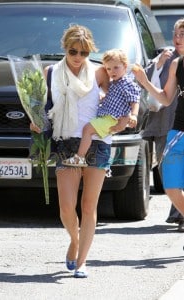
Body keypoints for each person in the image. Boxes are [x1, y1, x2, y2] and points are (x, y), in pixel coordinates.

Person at [30, 24, 116, 278]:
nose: (78, 57)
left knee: (89, 206)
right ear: (64, 48)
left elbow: (115, 105)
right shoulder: (50, 73)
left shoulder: (100, 73)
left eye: (84, 52)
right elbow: (43, 111)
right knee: (67, 207)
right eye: (73, 51)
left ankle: (82, 262)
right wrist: (35, 122)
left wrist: (124, 119)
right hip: (66, 142)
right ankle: (75, 242)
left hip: (97, 142)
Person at [132, 27, 184, 220]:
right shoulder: (175, 64)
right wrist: (145, 81)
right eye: (176, 34)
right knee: (170, 187)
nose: (177, 38)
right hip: (176, 132)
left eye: (183, 34)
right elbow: (165, 98)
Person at [62, 48, 140, 167]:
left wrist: (133, 115)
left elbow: (134, 100)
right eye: (108, 68)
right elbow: (116, 99)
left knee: (87, 130)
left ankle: (80, 157)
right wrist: (104, 98)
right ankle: (82, 157)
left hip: (112, 118)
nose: (112, 71)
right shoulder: (115, 83)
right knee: (89, 131)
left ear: (125, 66)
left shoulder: (127, 83)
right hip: (108, 117)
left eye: (116, 67)